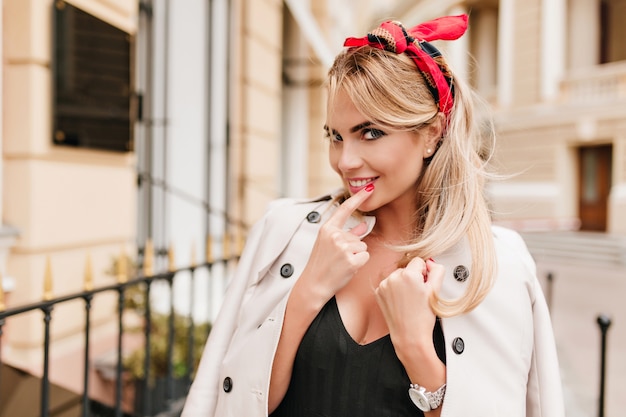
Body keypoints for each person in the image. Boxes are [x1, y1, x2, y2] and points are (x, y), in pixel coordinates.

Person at [181, 14, 565, 417]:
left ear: (432, 134)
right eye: (335, 136)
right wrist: (308, 291)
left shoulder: (497, 264)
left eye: (371, 133)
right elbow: (236, 400)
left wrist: (417, 348)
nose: (345, 161)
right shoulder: (283, 231)